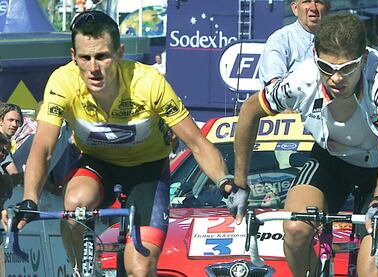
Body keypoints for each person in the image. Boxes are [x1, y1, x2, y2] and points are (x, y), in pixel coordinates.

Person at [1, 10, 230, 277]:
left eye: (102, 57)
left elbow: (197, 142)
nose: (93, 68)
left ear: (119, 53)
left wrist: (226, 183)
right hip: (98, 164)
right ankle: (84, 271)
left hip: (147, 170)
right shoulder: (62, 81)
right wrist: (30, 199)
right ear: (73, 56)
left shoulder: (148, 82)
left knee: (140, 268)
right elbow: (43, 146)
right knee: (75, 202)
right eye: (85, 58)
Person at [227, 13, 378, 276]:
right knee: (295, 228)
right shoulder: (302, 79)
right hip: (332, 160)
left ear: (365, 60)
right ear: (315, 56)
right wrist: (240, 182)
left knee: (374, 270)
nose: (336, 78)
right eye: (327, 67)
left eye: (348, 68)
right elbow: (249, 111)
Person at [258, 0, 330, 86]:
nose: (313, 8)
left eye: (318, 2)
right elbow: (274, 88)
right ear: (295, 8)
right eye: (306, 1)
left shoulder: (339, 39)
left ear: (326, 8)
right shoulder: (279, 40)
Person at [0, 103, 22, 174]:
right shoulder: (2, 145)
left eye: (17, 121)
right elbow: (14, 174)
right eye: (11, 120)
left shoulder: (6, 143)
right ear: (1, 121)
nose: (14, 125)